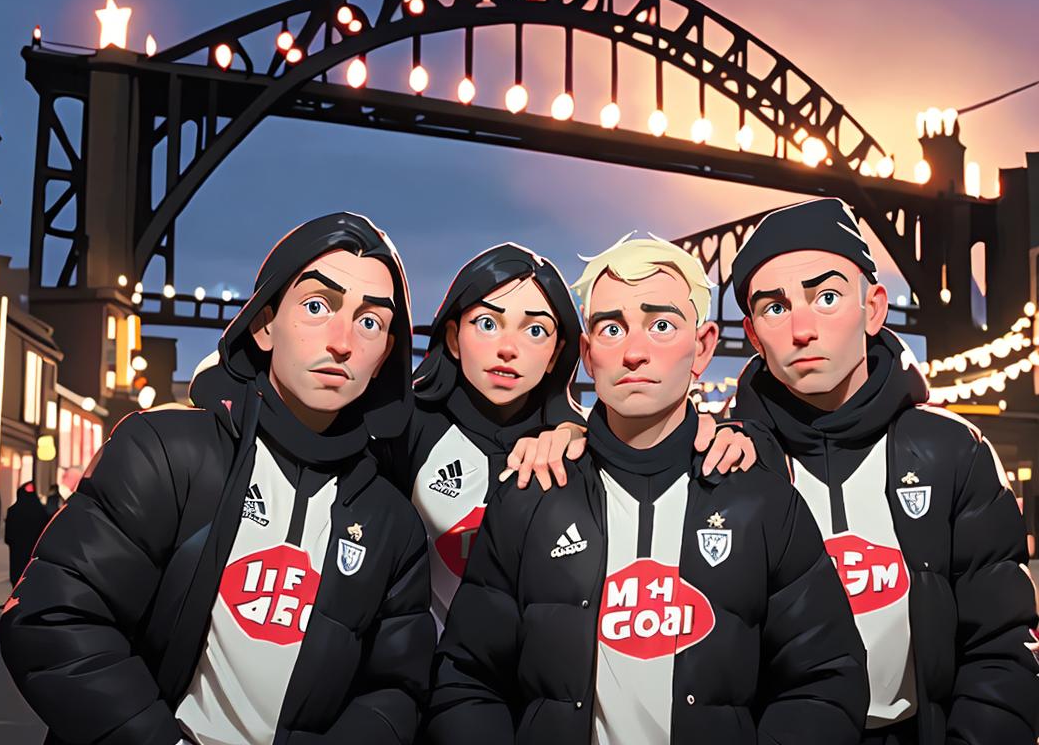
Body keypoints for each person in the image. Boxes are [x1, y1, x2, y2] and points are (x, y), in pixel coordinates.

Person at [0, 213, 435, 745]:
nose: (342, 341)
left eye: (370, 322)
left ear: (386, 352)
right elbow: (54, 617)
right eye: (318, 306)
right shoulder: (163, 451)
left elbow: (396, 691)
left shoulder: (393, 524)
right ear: (265, 323)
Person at [428, 233, 868, 744]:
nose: (634, 352)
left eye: (661, 325)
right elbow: (467, 681)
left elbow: (824, 682)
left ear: (702, 347)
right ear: (589, 356)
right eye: (612, 329)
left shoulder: (762, 502)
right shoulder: (529, 494)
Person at [729, 197, 1039, 743]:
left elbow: (1001, 647)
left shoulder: (953, 452)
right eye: (774, 308)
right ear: (753, 334)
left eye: (826, 297)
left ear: (873, 309)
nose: (802, 329)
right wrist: (564, 431)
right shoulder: (726, 464)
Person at [394, 243, 762, 628]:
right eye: (487, 323)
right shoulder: (405, 430)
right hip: (423, 669)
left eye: (535, 330)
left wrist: (726, 435)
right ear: (453, 338)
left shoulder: (582, 443)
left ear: (558, 352)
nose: (507, 349)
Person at [4, 481, 49, 587]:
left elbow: (8, 535)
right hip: (34, 549)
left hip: (17, 549)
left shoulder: (13, 511)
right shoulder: (40, 511)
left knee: (17, 574)